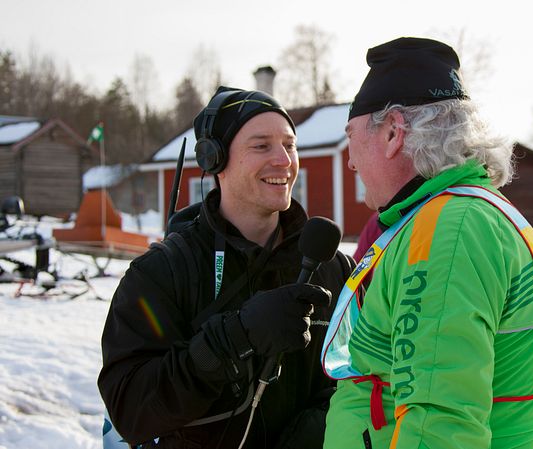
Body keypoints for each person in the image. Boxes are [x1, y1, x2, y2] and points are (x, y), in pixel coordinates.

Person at [322, 38, 533, 449]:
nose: (350, 160)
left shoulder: (447, 231)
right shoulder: (462, 215)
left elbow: (439, 422)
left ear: (392, 133)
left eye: (352, 136)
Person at [98, 87, 354, 449]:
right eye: (261, 145)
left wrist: (317, 427)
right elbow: (130, 410)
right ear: (215, 159)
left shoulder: (332, 266)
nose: (284, 160)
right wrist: (232, 339)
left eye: (289, 145)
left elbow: (368, 377)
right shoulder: (163, 273)